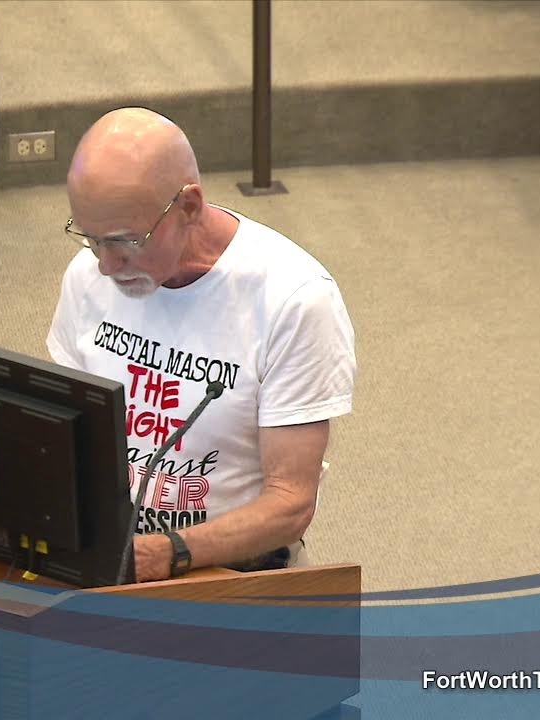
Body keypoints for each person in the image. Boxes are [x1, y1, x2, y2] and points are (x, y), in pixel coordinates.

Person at [46, 108, 357, 582]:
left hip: (227, 570)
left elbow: (291, 503)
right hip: (107, 555)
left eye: (127, 241)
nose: (107, 266)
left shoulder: (292, 299)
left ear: (189, 206)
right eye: (90, 239)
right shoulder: (87, 277)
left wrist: (166, 553)